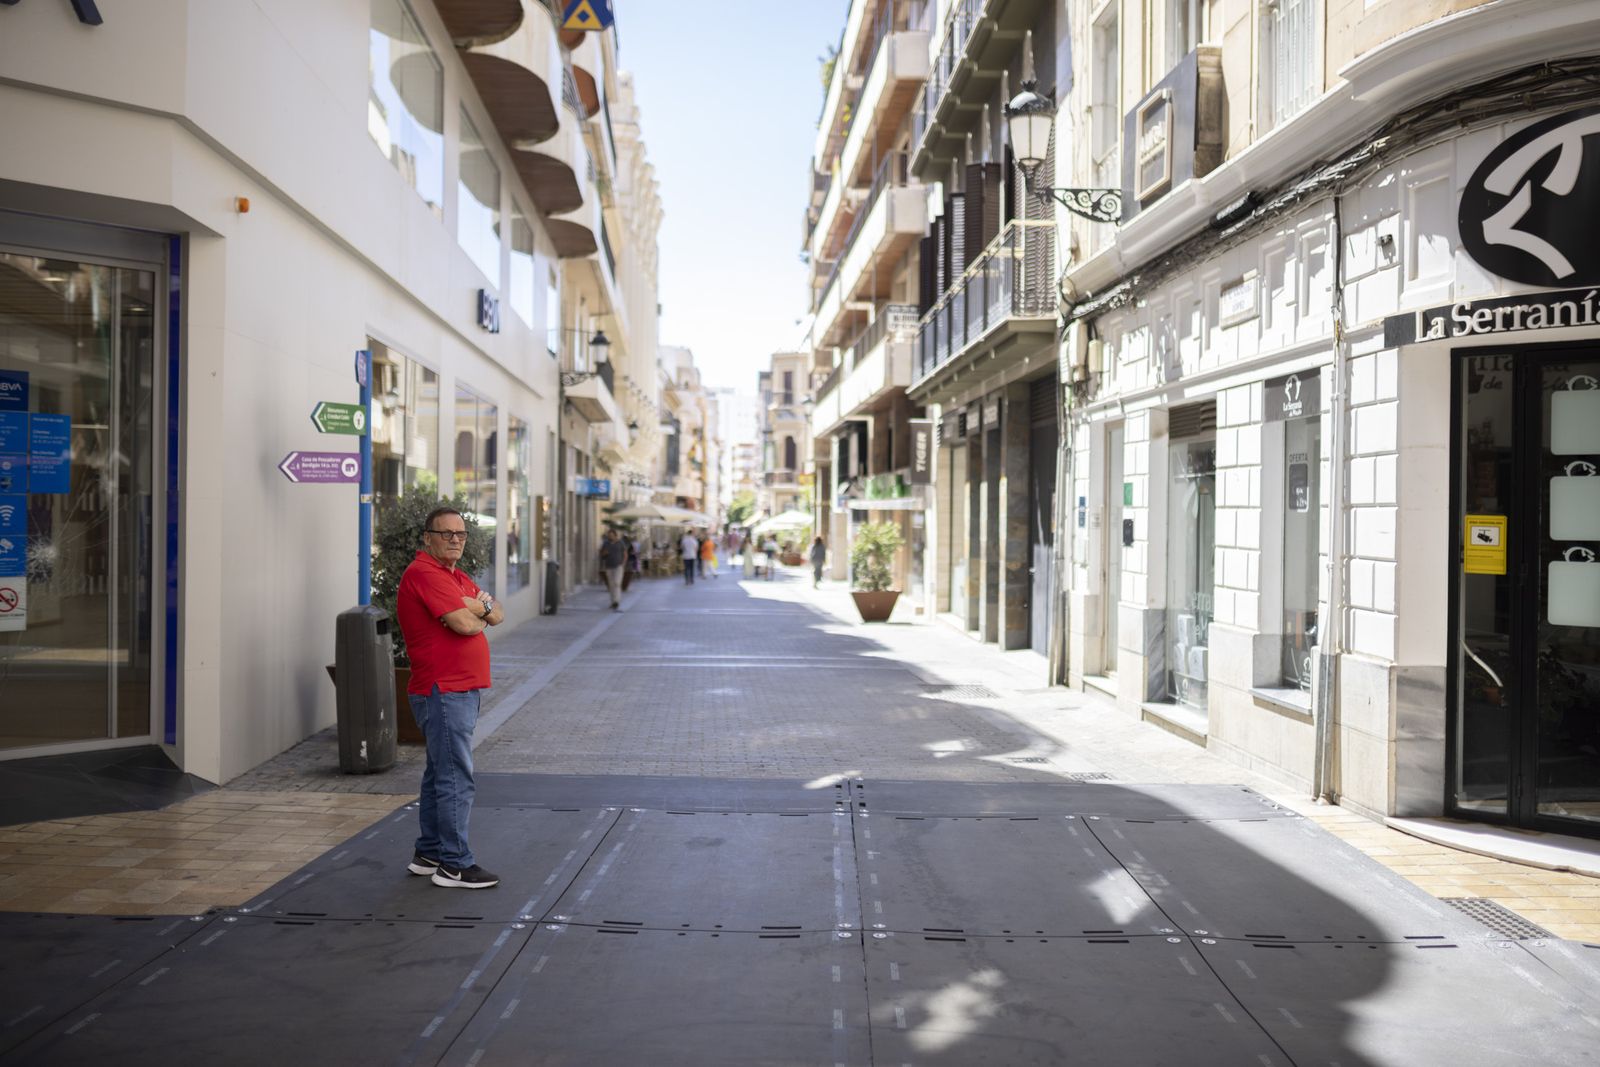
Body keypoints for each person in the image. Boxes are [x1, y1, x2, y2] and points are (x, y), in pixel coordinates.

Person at [396, 506, 502, 890]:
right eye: (446, 534)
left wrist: (481, 607)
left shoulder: (454, 576)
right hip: (444, 690)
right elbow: (463, 623)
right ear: (428, 538)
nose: (455, 540)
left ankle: (429, 853)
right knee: (455, 776)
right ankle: (455, 865)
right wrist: (476, 610)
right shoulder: (425, 573)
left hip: (457, 689)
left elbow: (497, 614)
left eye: (460, 534)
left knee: (438, 773)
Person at [599, 527, 627, 609]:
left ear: (615, 535)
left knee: (617, 583)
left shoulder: (620, 543)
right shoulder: (606, 543)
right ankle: (612, 601)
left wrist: (623, 563)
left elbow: (625, 554)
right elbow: (601, 554)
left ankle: (616, 601)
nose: (610, 537)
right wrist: (604, 553)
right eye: (609, 535)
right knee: (611, 585)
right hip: (609, 566)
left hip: (618, 566)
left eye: (611, 535)